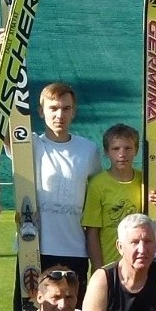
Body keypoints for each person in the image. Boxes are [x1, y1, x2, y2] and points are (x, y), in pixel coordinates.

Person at [33, 82, 100, 287]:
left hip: (76, 252)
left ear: (73, 112)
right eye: (53, 108)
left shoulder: (89, 150)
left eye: (65, 108)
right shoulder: (29, 144)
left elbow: (99, 201)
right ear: (41, 111)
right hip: (34, 251)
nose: (59, 115)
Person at [81, 124, 156, 269]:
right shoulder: (97, 184)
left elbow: (151, 219)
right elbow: (92, 233)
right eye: (115, 149)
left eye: (128, 148)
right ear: (106, 152)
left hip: (140, 264)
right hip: (110, 265)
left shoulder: (147, 181)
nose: (122, 154)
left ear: (136, 151)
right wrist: (99, 269)